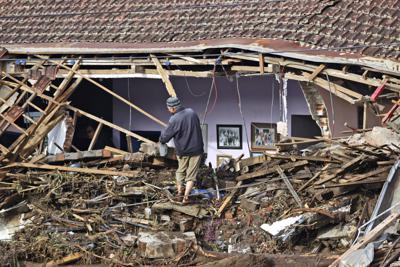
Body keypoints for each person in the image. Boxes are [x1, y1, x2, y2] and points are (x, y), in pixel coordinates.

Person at [159, 96, 204, 204]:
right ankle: (186, 197)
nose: (168, 110)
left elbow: (165, 138)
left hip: (183, 151)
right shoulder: (192, 112)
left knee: (180, 171)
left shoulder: (174, 119)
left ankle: (179, 193)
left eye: (168, 108)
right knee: (191, 175)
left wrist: (161, 140)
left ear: (173, 108)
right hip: (197, 150)